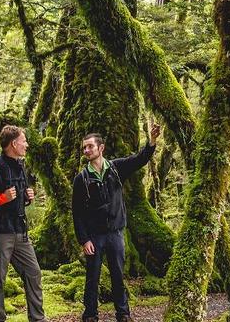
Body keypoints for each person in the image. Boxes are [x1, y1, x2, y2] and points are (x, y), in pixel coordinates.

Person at [72, 122, 160, 322]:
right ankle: (90, 315)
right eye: (84, 147)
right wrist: (84, 239)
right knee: (92, 277)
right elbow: (76, 213)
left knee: (118, 276)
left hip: (116, 234)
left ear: (101, 148)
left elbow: (140, 159)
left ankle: (123, 313)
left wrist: (152, 141)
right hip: (94, 237)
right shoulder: (81, 178)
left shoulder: (116, 168)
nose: (86, 150)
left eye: (90, 146)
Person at [0, 125, 45, 322]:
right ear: (13, 143)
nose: (26, 144)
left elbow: (18, 196)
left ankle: (38, 318)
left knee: (33, 273)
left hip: (21, 232)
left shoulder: (20, 165)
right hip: (0, 233)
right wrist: (2, 198)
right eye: (23, 140)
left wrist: (28, 197)